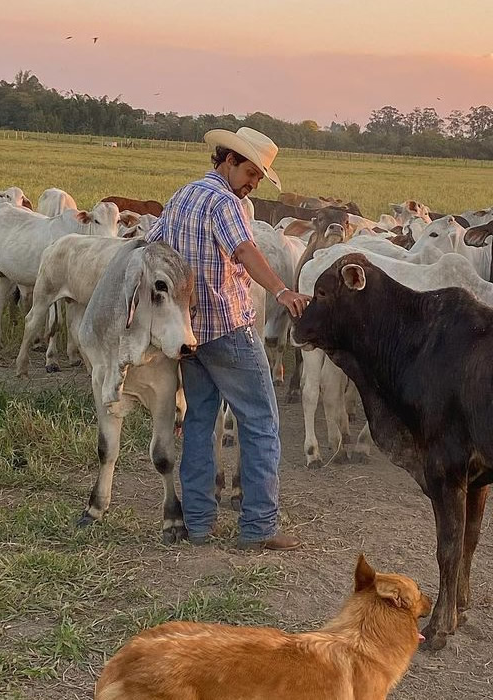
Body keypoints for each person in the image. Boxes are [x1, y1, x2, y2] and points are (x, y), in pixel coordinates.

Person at [146, 127, 311, 551]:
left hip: (189, 333)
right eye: (252, 172)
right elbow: (247, 252)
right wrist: (281, 290)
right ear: (229, 160)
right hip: (229, 327)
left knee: (200, 422)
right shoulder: (226, 202)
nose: (255, 183)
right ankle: (258, 528)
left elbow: (151, 245)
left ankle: (198, 526)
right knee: (261, 422)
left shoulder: (181, 196)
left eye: (259, 176)